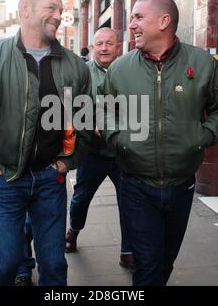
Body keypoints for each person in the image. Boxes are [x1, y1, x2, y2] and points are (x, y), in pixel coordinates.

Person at [0, 0, 92, 286]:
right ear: (25, 9)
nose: (59, 15)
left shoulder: (74, 67)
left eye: (61, 10)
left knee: (54, 266)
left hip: (50, 181)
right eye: (51, 8)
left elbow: (82, 118)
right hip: (4, 182)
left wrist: (68, 161)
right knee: (4, 265)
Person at [101, 0, 218, 286]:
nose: (132, 25)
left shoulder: (201, 63)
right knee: (148, 266)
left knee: (165, 263)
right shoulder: (119, 69)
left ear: (164, 22)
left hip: (181, 185)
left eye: (139, 17)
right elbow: (102, 110)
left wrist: (202, 135)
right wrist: (119, 136)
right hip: (135, 184)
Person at [65, 27, 134, 272]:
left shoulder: (130, 71)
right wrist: (89, 123)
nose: (104, 48)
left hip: (123, 153)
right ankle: (73, 231)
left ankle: (128, 252)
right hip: (92, 152)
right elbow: (71, 106)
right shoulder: (83, 74)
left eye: (109, 43)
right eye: (99, 44)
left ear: (118, 46)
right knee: (81, 198)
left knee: (129, 203)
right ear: (92, 48)